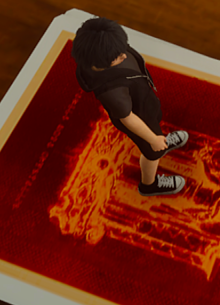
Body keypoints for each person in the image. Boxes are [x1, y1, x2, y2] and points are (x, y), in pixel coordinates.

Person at [71, 17, 189, 196]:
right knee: (151, 154)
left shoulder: (107, 49)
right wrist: (152, 139)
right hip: (138, 118)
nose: (124, 55)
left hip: (143, 103)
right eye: (118, 57)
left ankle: (161, 140)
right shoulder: (112, 91)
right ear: (101, 63)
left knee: (155, 131)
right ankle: (149, 184)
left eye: (123, 48)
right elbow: (127, 118)